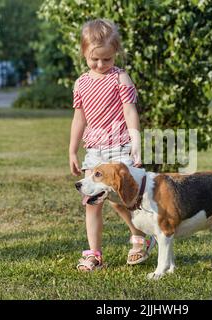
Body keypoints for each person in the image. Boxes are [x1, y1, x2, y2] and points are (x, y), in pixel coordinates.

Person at [69, 19, 155, 271]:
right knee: (91, 202)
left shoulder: (121, 79)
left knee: (122, 198)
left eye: (107, 59)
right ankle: (93, 253)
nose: (101, 64)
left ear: (115, 52)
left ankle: (140, 237)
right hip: (94, 150)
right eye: (94, 59)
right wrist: (73, 150)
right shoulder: (81, 83)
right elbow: (79, 118)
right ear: (84, 53)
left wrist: (136, 142)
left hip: (119, 147)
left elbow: (130, 112)